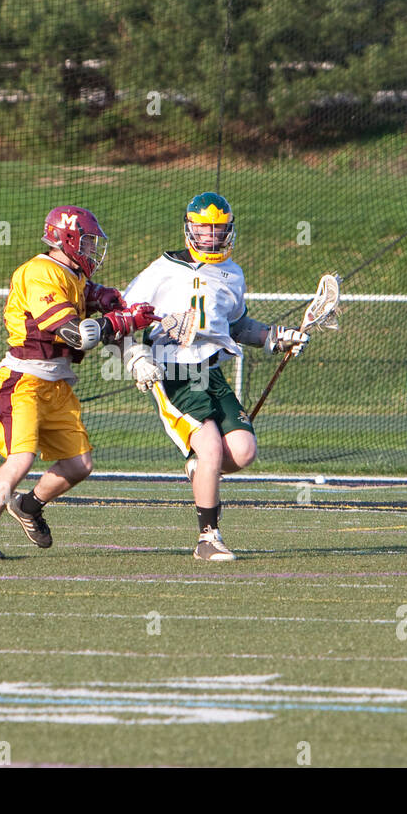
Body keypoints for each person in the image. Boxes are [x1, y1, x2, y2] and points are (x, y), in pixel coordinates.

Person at [121, 192, 308, 561]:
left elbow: (236, 325)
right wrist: (136, 358)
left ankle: (198, 467)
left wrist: (275, 337)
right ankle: (208, 537)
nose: (210, 236)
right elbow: (124, 323)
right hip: (173, 371)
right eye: (203, 228)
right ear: (189, 228)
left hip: (211, 371)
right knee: (208, 448)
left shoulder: (232, 273)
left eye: (217, 228)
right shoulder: (159, 271)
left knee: (242, 451)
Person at [0, 206, 157, 560]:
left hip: (57, 384)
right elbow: (75, 334)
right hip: (24, 381)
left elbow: (83, 294)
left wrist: (101, 298)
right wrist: (121, 321)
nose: (91, 252)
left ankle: (29, 506)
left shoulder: (71, 275)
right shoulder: (38, 271)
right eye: (86, 243)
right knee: (20, 459)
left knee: (78, 465)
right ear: (67, 239)